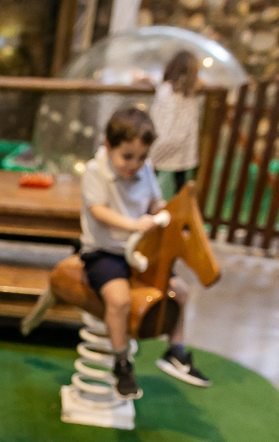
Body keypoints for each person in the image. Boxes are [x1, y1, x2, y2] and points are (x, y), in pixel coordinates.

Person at [80, 107, 211, 399]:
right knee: (119, 299)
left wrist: (163, 212)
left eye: (141, 157)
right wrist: (134, 224)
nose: (135, 164)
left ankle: (175, 350)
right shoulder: (95, 171)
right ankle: (121, 362)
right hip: (106, 252)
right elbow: (98, 210)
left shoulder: (145, 169)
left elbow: (154, 201)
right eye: (127, 156)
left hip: (139, 252)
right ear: (108, 147)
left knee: (181, 290)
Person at [149, 50, 202, 194]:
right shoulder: (191, 92)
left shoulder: (165, 89)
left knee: (151, 176)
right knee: (180, 181)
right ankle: (179, 210)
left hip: (163, 139)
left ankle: (146, 208)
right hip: (183, 143)